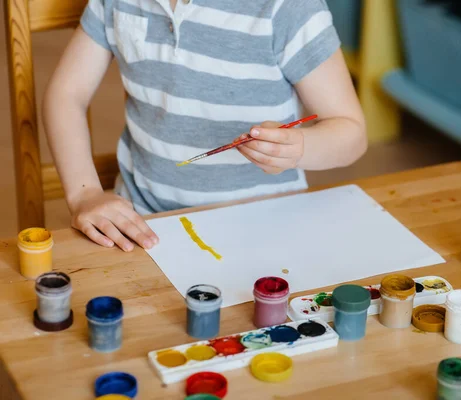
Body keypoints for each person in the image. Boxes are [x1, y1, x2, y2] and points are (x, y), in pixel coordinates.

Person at [42, 0, 367, 252]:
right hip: (143, 222)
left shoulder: (287, 8)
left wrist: (301, 149)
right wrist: (84, 194)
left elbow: (351, 132)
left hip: (267, 229)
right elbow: (66, 95)